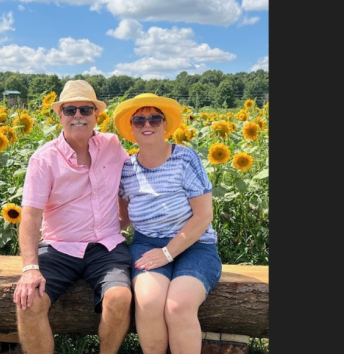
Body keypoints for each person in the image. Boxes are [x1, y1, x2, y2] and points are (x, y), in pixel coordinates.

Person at [12, 80, 132, 354]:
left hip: (106, 247)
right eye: (70, 110)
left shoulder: (113, 146)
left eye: (85, 110)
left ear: (96, 115)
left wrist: (121, 222)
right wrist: (30, 268)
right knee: (29, 301)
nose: (78, 116)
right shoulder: (44, 159)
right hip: (59, 248)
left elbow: (132, 181)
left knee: (120, 297)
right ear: (59, 115)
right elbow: (30, 216)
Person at [113, 93, 222, 354]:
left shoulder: (185, 159)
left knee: (178, 305)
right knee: (149, 302)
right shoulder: (127, 168)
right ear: (131, 128)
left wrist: (167, 252)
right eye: (139, 120)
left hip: (196, 245)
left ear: (165, 125)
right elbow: (123, 217)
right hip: (146, 243)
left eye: (154, 118)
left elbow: (204, 215)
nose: (147, 125)